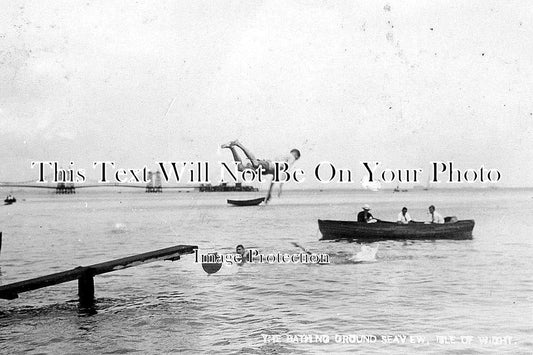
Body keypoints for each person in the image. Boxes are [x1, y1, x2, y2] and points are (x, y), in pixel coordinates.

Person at [221, 140, 301, 202]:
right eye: (297, 158)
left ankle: (232, 148)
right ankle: (238, 144)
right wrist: (280, 187)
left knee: (240, 168)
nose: (295, 160)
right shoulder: (292, 157)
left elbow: (274, 179)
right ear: (296, 155)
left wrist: (269, 193)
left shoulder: (281, 162)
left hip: (265, 169)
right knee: (255, 163)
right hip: (267, 166)